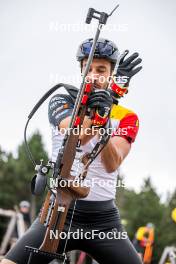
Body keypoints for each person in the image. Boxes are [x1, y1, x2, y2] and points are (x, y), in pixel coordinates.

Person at [2, 38, 142, 264]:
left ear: (111, 75)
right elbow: (77, 137)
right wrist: (98, 114)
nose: (95, 76)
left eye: (102, 70)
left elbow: (112, 163)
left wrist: (108, 110)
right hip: (59, 212)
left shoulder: (126, 117)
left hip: (103, 221)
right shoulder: (63, 99)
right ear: (81, 70)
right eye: (89, 68)